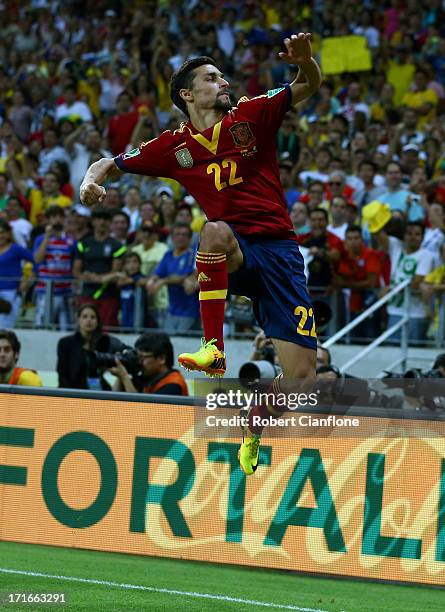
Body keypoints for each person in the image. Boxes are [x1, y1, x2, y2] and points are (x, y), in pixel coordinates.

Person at [80, 33, 322, 475]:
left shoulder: (251, 114)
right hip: (236, 250)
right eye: (212, 78)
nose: (223, 81)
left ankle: (256, 422)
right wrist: (88, 182)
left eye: (223, 75)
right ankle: (214, 346)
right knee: (211, 232)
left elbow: (308, 85)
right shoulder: (173, 147)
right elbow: (107, 164)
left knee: (303, 381)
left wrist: (306, 62)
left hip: (281, 255)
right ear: (188, 94)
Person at [57, 303, 125, 390]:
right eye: (85, 317)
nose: (89, 320)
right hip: (71, 390)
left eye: (93, 317)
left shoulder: (104, 342)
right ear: (78, 320)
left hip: (96, 389)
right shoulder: (65, 343)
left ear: (97, 321)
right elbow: (62, 374)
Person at [33, 206, 77, 330]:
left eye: (60, 216)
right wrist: (47, 237)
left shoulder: (71, 240)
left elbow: (74, 265)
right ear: (48, 220)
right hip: (45, 291)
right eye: (53, 217)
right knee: (42, 327)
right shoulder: (40, 239)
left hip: (65, 291)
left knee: (66, 328)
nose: (57, 219)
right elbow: (37, 259)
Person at [111, 331, 188, 395]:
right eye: (137, 356)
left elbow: (141, 411)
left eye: (142, 357)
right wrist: (121, 374)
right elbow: (113, 402)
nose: (139, 361)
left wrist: (124, 377)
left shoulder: (173, 384)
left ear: (162, 359)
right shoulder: (146, 377)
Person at [0, 220, 33, 328]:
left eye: (3, 232)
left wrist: (28, 278)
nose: (1, 235)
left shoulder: (16, 249)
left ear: (9, 233)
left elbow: (35, 262)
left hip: (11, 292)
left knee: (6, 327)